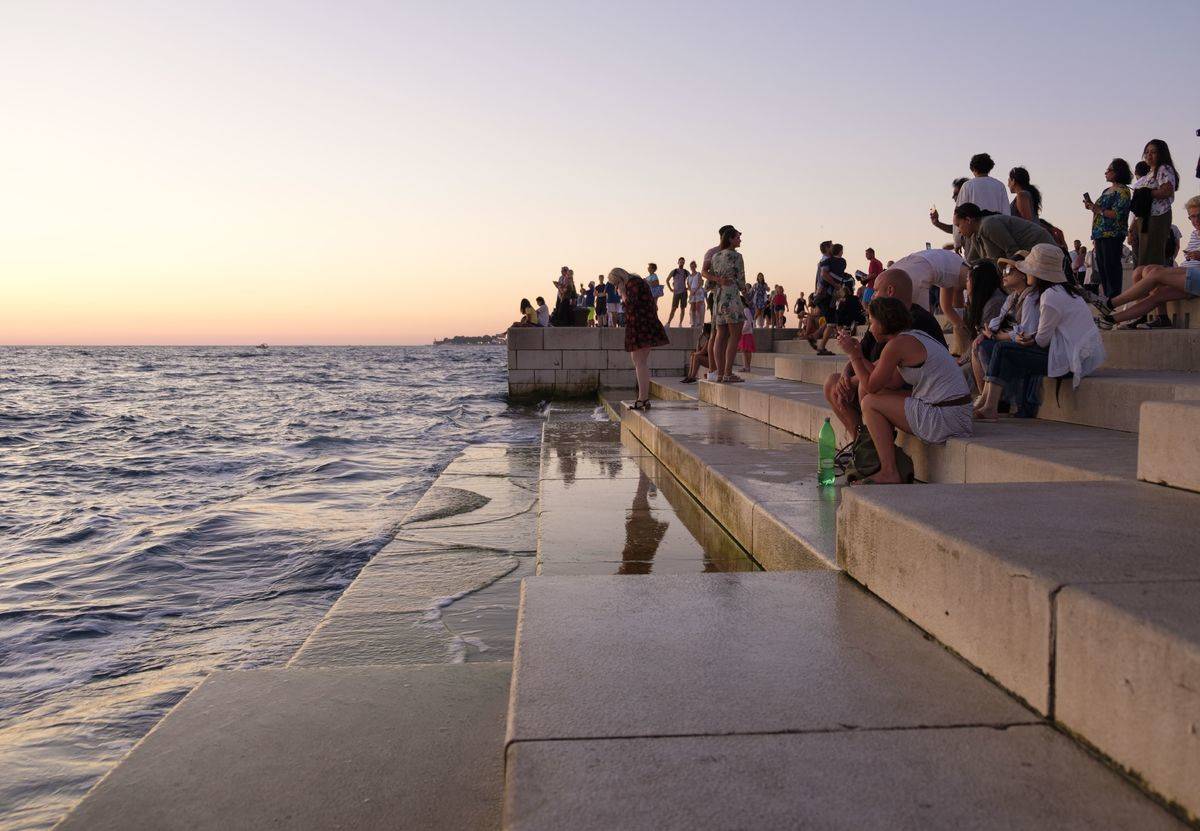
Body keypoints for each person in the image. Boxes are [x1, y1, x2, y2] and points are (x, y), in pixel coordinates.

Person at [841, 297, 973, 485]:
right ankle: (876, 459)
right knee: (875, 396)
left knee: (869, 403)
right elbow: (892, 382)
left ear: (884, 321)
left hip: (944, 418)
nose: (870, 328)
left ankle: (888, 471)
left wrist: (853, 355)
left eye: (872, 322)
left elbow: (871, 385)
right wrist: (859, 356)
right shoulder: (912, 336)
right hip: (956, 414)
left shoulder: (897, 345)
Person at [974, 244, 1105, 421]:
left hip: (1069, 362)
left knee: (1002, 349)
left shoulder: (1050, 296)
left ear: (1038, 274)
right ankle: (987, 403)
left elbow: (1042, 341)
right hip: (1075, 356)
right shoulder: (1063, 291)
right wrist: (1028, 338)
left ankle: (989, 405)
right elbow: (1043, 334)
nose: (1027, 273)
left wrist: (1026, 339)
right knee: (1004, 348)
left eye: (1029, 270)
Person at [822, 269, 947, 445]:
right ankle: (860, 447)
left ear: (889, 291)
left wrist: (850, 382)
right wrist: (844, 376)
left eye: (876, 291)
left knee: (865, 389)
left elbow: (890, 376)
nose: (871, 296)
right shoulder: (880, 319)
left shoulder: (915, 321)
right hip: (883, 380)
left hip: (918, 393)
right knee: (832, 383)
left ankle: (874, 454)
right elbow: (860, 353)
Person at [1095, 195, 1200, 329]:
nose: (1196, 220)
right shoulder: (1195, 234)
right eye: (1192, 217)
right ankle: (1111, 320)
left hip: (1196, 275)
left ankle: (1110, 304)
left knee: (1154, 272)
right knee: (1146, 275)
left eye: (1198, 215)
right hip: (1190, 276)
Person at [970, 259, 1040, 398]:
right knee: (980, 344)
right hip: (1013, 340)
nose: (1004, 275)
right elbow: (997, 321)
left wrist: (996, 336)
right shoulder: (1012, 298)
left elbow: (1024, 332)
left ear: (1023, 274)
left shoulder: (1031, 297)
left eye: (1008, 271)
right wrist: (986, 333)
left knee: (987, 347)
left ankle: (994, 399)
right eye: (1003, 271)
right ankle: (986, 397)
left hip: (1029, 346)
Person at [608, 267, 669, 409]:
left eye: (616, 283)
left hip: (641, 326)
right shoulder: (636, 282)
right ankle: (644, 398)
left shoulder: (632, 284)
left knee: (639, 361)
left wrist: (622, 294)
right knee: (639, 361)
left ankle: (643, 398)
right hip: (643, 325)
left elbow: (631, 305)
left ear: (620, 279)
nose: (616, 287)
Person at [1084, 158, 1133, 301]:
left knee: (1111, 265)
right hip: (1100, 234)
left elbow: (1118, 214)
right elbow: (1100, 211)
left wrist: (1097, 209)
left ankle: (1114, 298)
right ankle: (1107, 296)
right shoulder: (1106, 190)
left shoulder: (1123, 191)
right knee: (1102, 266)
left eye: (1109, 170)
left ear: (1118, 172)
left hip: (1112, 233)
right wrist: (1092, 207)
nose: (1106, 172)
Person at [706, 225, 747, 383]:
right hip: (731, 297)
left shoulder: (715, 256)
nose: (740, 240)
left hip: (718, 298)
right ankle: (728, 373)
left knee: (720, 335)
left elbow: (709, 283)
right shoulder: (737, 256)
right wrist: (747, 296)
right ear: (730, 239)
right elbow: (742, 281)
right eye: (737, 237)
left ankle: (720, 373)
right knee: (735, 335)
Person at [954, 203, 1057, 266]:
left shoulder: (988, 225)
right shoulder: (975, 236)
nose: (958, 230)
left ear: (968, 220)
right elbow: (972, 263)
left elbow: (1013, 252)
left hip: (1043, 252)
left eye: (958, 225)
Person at [1137, 139, 1179, 270]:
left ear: (1162, 154)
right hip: (1146, 217)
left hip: (1158, 215)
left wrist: (1147, 193)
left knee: (1153, 255)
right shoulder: (1149, 172)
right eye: (1147, 152)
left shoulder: (1164, 168)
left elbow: (1167, 190)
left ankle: (1154, 287)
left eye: (1153, 152)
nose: (1149, 155)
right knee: (1144, 256)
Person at [666, 257, 689, 326]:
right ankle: (668, 322)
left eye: (683, 262)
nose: (681, 263)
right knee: (673, 308)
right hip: (676, 292)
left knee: (682, 308)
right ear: (678, 262)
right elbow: (667, 280)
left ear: (684, 263)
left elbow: (691, 279)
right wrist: (670, 289)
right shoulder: (674, 271)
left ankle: (680, 323)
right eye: (680, 262)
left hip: (684, 292)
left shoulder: (686, 272)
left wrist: (688, 288)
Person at [739, 297, 756, 371]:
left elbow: (748, 322)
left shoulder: (746, 310)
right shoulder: (743, 310)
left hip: (746, 333)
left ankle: (747, 366)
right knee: (744, 351)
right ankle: (745, 366)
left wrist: (742, 330)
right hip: (744, 333)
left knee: (747, 350)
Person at [687, 261, 705, 328]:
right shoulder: (689, 276)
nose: (692, 267)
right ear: (690, 267)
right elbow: (688, 285)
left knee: (698, 307)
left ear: (695, 266)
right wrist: (691, 291)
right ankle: (693, 323)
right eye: (691, 266)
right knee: (692, 308)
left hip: (698, 291)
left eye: (693, 265)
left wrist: (696, 290)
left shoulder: (698, 274)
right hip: (692, 292)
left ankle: (698, 322)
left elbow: (700, 283)